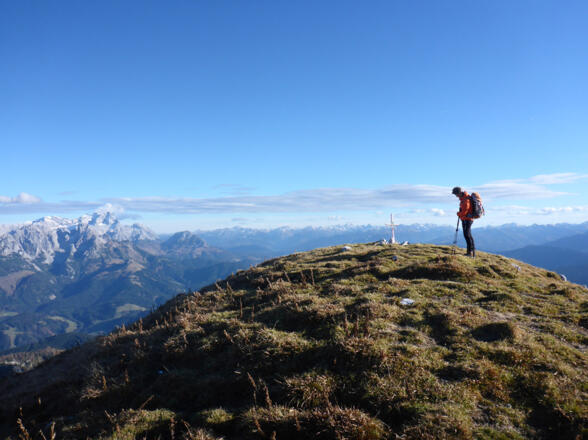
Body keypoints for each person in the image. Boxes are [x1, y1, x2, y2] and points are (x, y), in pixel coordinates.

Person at [452, 187, 475, 257]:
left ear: (459, 193)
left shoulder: (465, 200)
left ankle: (470, 252)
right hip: (466, 219)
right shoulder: (464, 198)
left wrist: (458, 213)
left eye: (456, 194)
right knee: (468, 234)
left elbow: (464, 212)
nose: (456, 196)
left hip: (467, 219)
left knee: (467, 235)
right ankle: (471, 251)